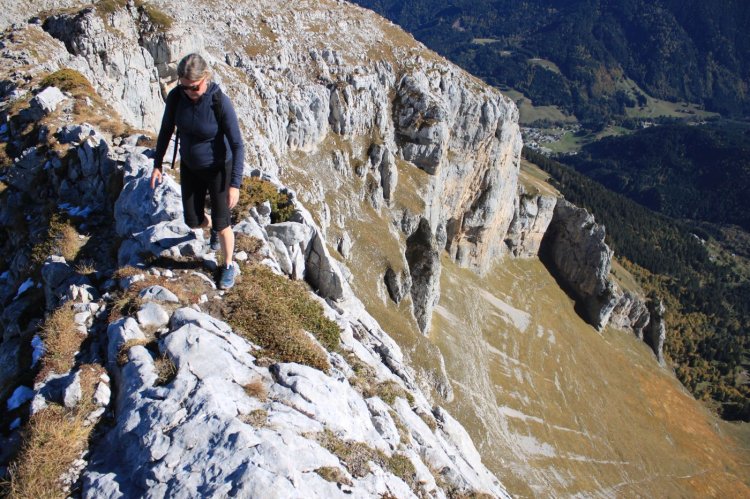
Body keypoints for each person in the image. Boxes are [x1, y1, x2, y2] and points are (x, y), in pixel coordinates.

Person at [150, 53, 244, 289]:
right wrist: (157, 163)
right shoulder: (176, 97)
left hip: (219, 169)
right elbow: (166, 129)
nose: (189, 92)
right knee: (193, 221)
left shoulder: (219, 102)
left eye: (194, 87)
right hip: (190, 166)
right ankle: (211, 226)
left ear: (206, 78)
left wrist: (235, 184)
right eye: (184, 87)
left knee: (224, 225)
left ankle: (228, 265)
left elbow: (237, 144)